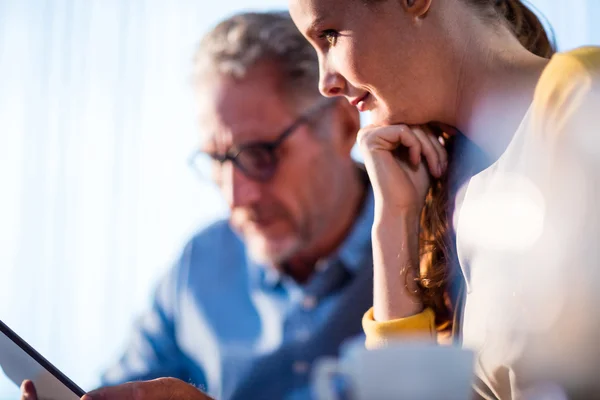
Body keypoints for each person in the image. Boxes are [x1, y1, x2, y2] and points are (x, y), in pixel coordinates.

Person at [21, 11, 374, 400]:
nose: (237, 197)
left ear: (343, 126)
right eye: (218, 161)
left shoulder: (426, 250)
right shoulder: (199, 268)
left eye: (260, 155)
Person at [287, 0, 599, 398]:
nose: (324, 82)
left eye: (329, 35)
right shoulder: (451, 187)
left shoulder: (584, 93)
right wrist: (396, 221)